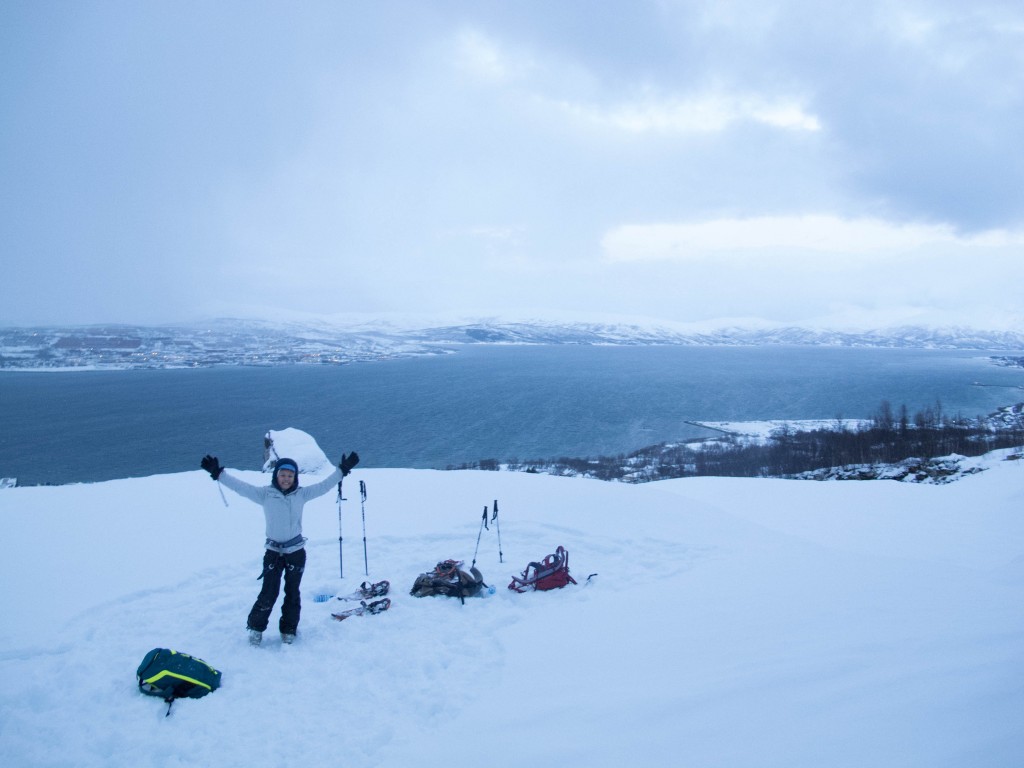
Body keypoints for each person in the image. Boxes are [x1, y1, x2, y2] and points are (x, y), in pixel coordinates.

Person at [200, 451, 360, 646]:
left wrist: (342, 470)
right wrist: (219, 473)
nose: (286, 479)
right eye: (283, 475)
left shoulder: (301, 494)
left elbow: (324, 486)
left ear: (295, 478)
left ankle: (289, 629)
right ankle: (256, 628)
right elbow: (240, 487)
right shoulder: (265, 494)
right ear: (276, 475)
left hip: (296, 552)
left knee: (292, 593)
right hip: (273, 553)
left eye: (290, 476)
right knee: (269, 592)